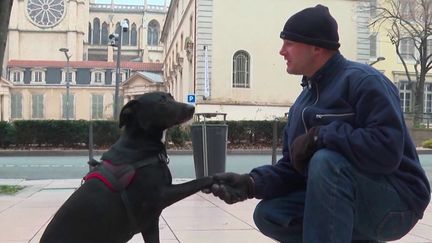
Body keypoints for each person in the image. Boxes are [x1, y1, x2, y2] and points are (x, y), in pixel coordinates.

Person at [206, 4, 431, 243]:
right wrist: (250, 183)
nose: (282, 51)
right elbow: (293, 169)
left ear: (316, 47)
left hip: (397, 201)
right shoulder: (302, 103)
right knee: (270, 214)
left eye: (289, 43)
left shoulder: (365, 81)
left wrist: (321, 136)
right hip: (350, 196)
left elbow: (387, 150)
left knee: (327, 160)